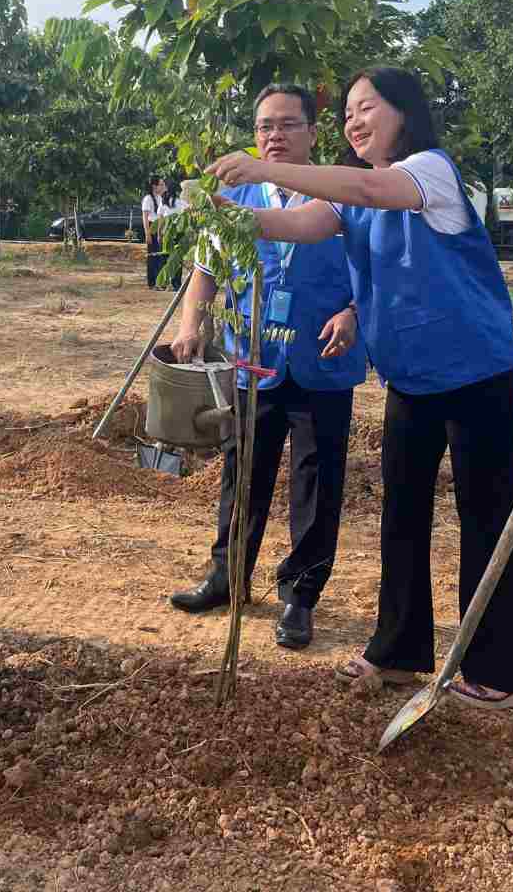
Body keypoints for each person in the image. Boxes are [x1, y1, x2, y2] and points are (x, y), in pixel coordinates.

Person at [208, 66, 513, 710]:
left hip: (474, 372)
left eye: (367, 108)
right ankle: (399, 652)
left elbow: (367, 187)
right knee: (402, 515)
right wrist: (229, 217)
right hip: (411, 376)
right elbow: (299, 225)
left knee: (485, 514)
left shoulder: (428, 172)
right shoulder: (352, 195)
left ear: (405, 112)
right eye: (348, 113)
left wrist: (265, 167)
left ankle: (504, 672)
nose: (354, 122)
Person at [167, 84, 365, 649]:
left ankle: (300, 596)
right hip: (253, 359)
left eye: (287, 124)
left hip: (324, 359)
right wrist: (190, 325)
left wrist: (355, 312)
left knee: (317, 481)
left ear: (313, 133)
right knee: (243, 471)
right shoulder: (234, 197)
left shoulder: (344, 193)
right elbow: (206, 269)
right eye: (263, 126)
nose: (274, 135)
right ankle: (227, 576)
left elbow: (378, 270)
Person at [157, 178, 185, 291]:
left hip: (167, 233)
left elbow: (161, 220)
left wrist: (159, 234)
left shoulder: (163, 202)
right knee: (177, 259)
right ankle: (176, 284)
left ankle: (163, 283)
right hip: (178, 233)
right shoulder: (180, 202)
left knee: (164, 258)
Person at [142, 176, 168, 289]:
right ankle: (152, 282)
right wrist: (147, 233)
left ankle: (160, 281)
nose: (163, 187)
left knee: (160, 256)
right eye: (161, 185)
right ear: (154, 186)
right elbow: (145, 217)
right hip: (152, 227)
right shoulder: (148, 199)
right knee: (153, 256)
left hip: (160, 228)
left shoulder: (160, 198)